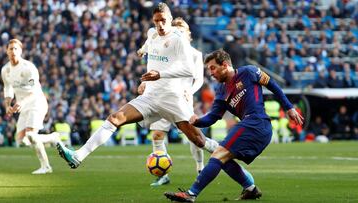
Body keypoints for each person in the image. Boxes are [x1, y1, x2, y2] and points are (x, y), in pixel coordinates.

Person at [56, 3, 218, 169]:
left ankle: (235, 165)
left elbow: (189, 70)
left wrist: (160, 75)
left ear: (169, 19)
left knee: (198, 140)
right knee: (115, 118)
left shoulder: (179, 40)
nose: (160, 25)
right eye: (156, 21)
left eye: (163, 20)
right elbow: (149, 45)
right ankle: (78, 156)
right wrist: (142, 54)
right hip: (150, 97)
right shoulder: (152, 33)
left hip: (172, 99)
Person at [164, 49, 304, 202]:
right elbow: (212, 117)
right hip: (252, 127)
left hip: (256, 122)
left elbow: (273, 85)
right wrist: (196, 121)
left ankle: (191, 195)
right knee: (221, 158)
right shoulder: (221, 91)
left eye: (213, 68)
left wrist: (289, 107)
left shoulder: (249, 72)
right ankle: (251, 189)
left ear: (225, 65)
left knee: (218, 154)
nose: (210, 73)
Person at [137, 17, 205, 186]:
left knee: (193, 136)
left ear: (188, 34)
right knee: (157, 135)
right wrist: (145, 83)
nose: (178, 34)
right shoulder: (165, 50)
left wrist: (190, 90)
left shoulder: (195, 55)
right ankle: (162, 175)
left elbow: (199, 79)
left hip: (182, 99)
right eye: (176, 31)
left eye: (181, 31)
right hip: (163, 96)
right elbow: (157, 71)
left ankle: (200, 168)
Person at [1, 39, 62, 174]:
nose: (13, 51)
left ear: (21, 51)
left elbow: (34, 91)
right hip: (23, 106)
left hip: (36, 102)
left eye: (16, 49)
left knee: (31, 135)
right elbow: (8, 88)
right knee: (22, 140)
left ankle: (46, 166)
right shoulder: (5, 70)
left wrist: (22, 102)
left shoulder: (28, 67)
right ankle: (52, 138)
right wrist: (7, 105)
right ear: (7, 51)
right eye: (11, 49)